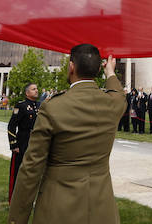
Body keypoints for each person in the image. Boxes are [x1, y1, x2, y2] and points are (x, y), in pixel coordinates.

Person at [8, 44, 126, 224]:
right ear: (97, 70)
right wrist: (110, 72)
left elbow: (31, 168)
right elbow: (117, 92)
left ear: (71, 67)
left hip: (58, 209)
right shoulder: (113, 104)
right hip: (102, 209)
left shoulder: (53, 106)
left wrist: (17, 220)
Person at [7, 82, 39, 201]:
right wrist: (14, 144)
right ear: (27, 93)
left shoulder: (40, 106)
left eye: (37, 89)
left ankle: (30, 196)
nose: (36, 90)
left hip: (36, 143)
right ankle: (14, 198)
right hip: (23, 142)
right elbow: (11, 126)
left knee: (33, 171)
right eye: (33, 89)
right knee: (18, 171)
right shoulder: (21, 106)